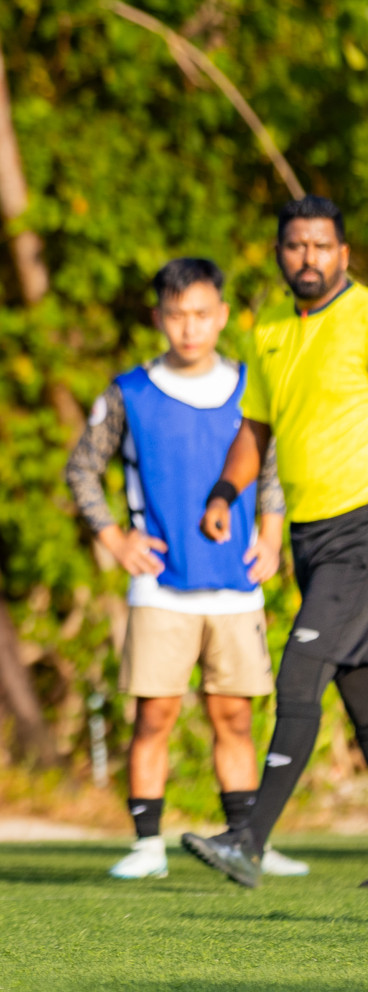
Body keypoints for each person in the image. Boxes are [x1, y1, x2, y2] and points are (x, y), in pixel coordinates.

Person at [65, 257, 307, 880]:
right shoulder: (130, 391)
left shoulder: (252, 386)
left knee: (235, 716)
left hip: (236, 584)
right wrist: (117, 541)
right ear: (158, 318)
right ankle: (148, 844)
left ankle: (247, 840)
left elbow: (273, 469)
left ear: (223, 316)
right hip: (160, 586)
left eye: (201, 314)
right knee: (156, 715)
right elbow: (81, 468)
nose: (190, 327)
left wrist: (273, 537)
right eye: (176, 315)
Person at [183, 196, 368, 887]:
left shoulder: (364, 317)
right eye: (296, 246)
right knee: (361, 698)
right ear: (280, 254)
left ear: (344, 254)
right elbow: (254, 430)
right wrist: (225, 494)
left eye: (322, 246)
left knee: (300, 673)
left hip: (362, 531)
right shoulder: (270, 334)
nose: (309, 258)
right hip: (312, 537)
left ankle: (249, 840)